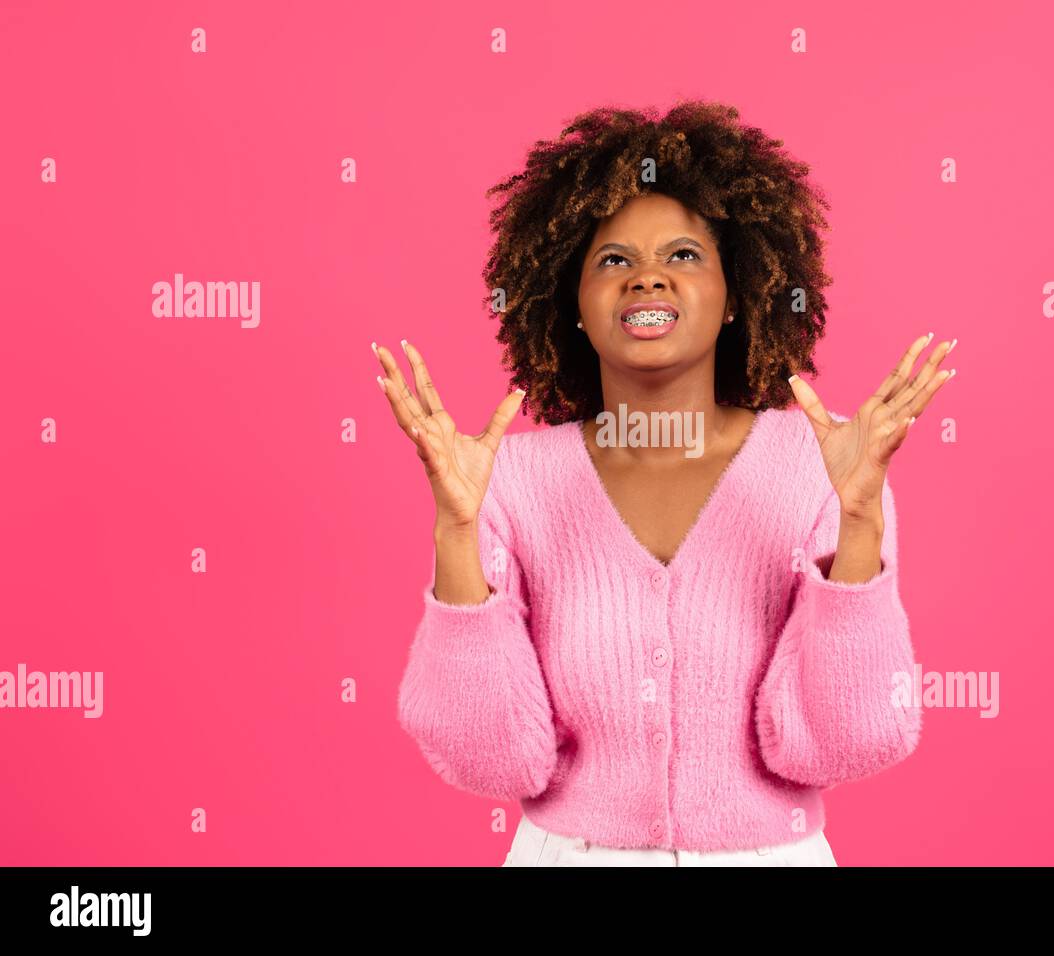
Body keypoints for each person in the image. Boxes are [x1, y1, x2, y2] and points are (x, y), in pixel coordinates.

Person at [378, 100, 955, 866]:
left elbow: (842, 743)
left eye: (684, 256)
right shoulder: (506, 483)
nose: (647, 276)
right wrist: (456, 531)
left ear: (735, 295)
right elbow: (492, 761)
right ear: (573, 305)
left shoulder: (822, 470)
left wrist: (858, 524)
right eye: (613, 260)